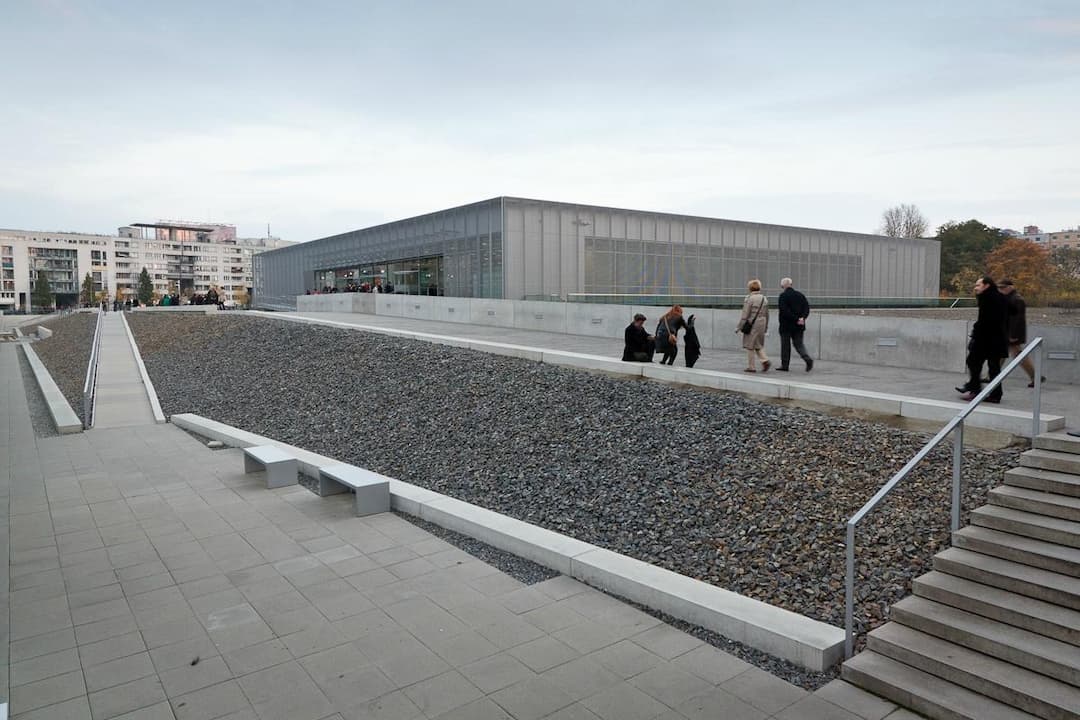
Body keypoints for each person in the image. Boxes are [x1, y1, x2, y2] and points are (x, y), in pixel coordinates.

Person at [956, 275, 1008, 403]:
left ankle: (975, 389)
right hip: (997, 339)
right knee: (994, 367)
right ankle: (995, 394)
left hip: (986, 340)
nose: (975, 288)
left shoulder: (987, 298)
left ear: (987, 285)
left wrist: (976, 334)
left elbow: (985, 321)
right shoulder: (1000, 297)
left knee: (973, 362)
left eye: (978, 285)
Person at [999, 278, 1045, 388]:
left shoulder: (1016, 299)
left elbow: (1018, 319)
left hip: (1012, 334)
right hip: (1008, 332)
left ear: (1011, 287)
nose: (1001, 290)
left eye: (1003, 287)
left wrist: (1013, 335)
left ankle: (1036, 377)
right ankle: (1036, 377)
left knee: (1018, 356)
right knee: (1006, 354)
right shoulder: (1009, 298)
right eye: (999, 288)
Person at [776, 277, 813, 372]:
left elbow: (784, 311)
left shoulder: (783, 296)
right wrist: (802, 318)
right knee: (799, 344)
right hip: (799, 325)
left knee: (785, 345)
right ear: (791, 284)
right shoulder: (800, 295)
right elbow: (807, 308)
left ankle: (785, 365)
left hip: (786, 326)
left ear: (782, 285)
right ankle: (807, 358)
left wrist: (796, 319)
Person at [737, 279, 770, 372]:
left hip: (752, 324)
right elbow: (767, 314)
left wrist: (739, 327)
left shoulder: (749, 299)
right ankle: (764, 360)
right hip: (762, 323)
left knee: (750, 345)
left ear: (750, 288)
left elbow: (745, 314)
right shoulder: (764, 298)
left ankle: (751, 366)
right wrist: (766, 327)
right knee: (758, 343)